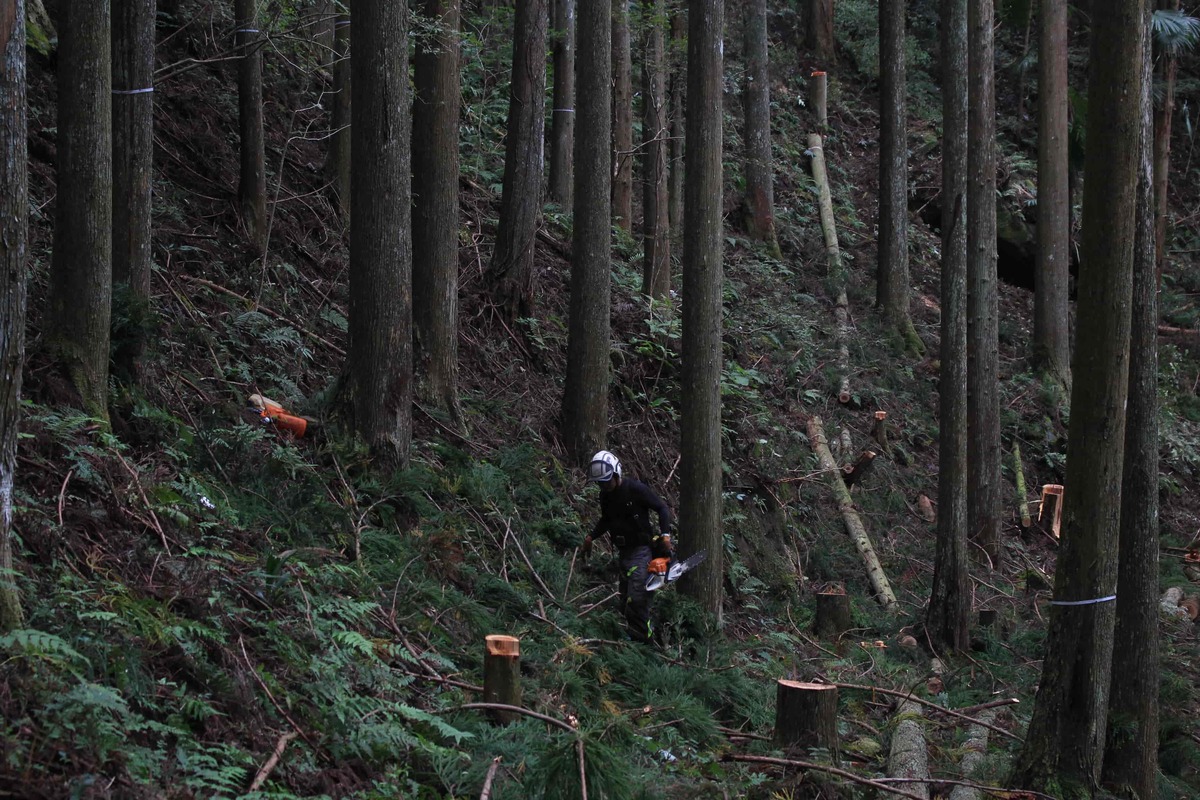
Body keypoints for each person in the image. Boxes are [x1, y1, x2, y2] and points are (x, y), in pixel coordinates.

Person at [580, 450, 674, 644]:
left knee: (637, 597)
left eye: (606, 482)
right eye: (600, 483)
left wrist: (665, 535)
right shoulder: (605, 496)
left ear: (616, 474)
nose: (604, 487)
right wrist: (591, 537)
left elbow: (662, 508)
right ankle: (635, 638)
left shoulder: (635, 489)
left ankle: (644, 643)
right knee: (624, 601)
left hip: (641, 550)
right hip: (623, 552)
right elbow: (607, 519)